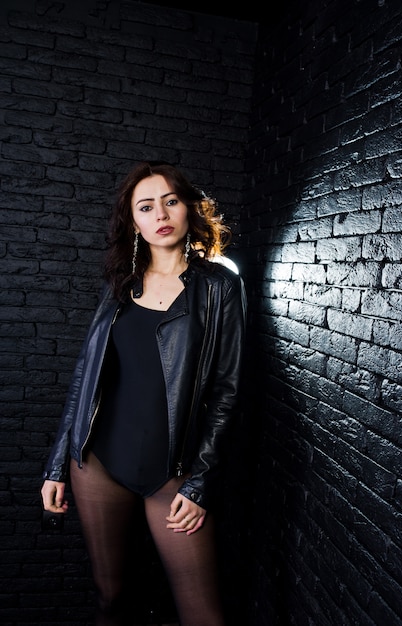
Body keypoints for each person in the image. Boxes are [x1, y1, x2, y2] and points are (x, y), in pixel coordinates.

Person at [40, 161, 247, 626]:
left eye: (170, 201)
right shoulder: (119, 284)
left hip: (172, 469)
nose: (161, 214)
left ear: (188, 208)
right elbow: (84, 378)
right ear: (134, 221)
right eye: (146, 206)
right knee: (113, 598)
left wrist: (199, 482)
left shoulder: (219, 286)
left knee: (203, 615)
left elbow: (228, 390)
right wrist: (57, 464)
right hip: (98, 463)